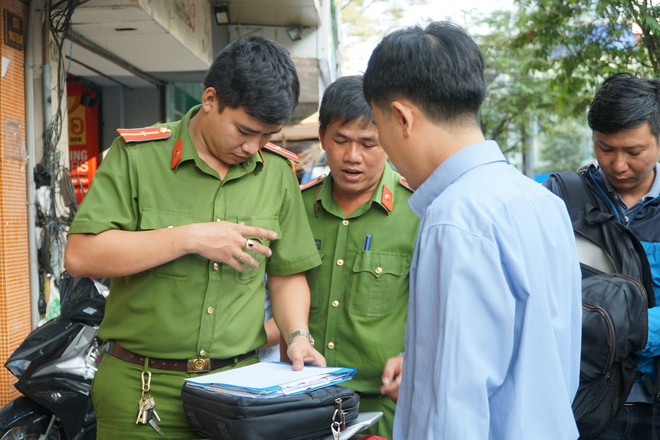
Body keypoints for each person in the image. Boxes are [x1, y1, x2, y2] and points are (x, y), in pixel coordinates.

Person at [64, 36, 325, 439]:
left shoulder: (276, 172)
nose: (253, 147)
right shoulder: (139, 156)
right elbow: (82, 255)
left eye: (267, 136)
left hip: (237, 390)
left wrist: (298, 337)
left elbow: (287, 273)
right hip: (140, 388)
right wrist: (188, 238)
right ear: (209, 99)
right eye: (245, 130)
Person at [362, 21, 583, 439]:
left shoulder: (454, 220)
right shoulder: (542, 202)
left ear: (402, 117)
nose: (383, 147)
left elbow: (453, 409)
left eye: (376, 127)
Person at [298, 75, 419, 438]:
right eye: (341, 141)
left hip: (380, 406)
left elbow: (440, 306)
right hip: (303, 400)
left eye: (368, 143)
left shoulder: (418, 211)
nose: (353, 157)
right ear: (322, 138)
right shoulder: (298, 207)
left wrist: (413, 360)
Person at [544, 73, 660, 439]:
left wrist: (620, 328)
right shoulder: (558, 201)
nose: (619, 164)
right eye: (605, 148)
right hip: (582, 406)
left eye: (634, 151)